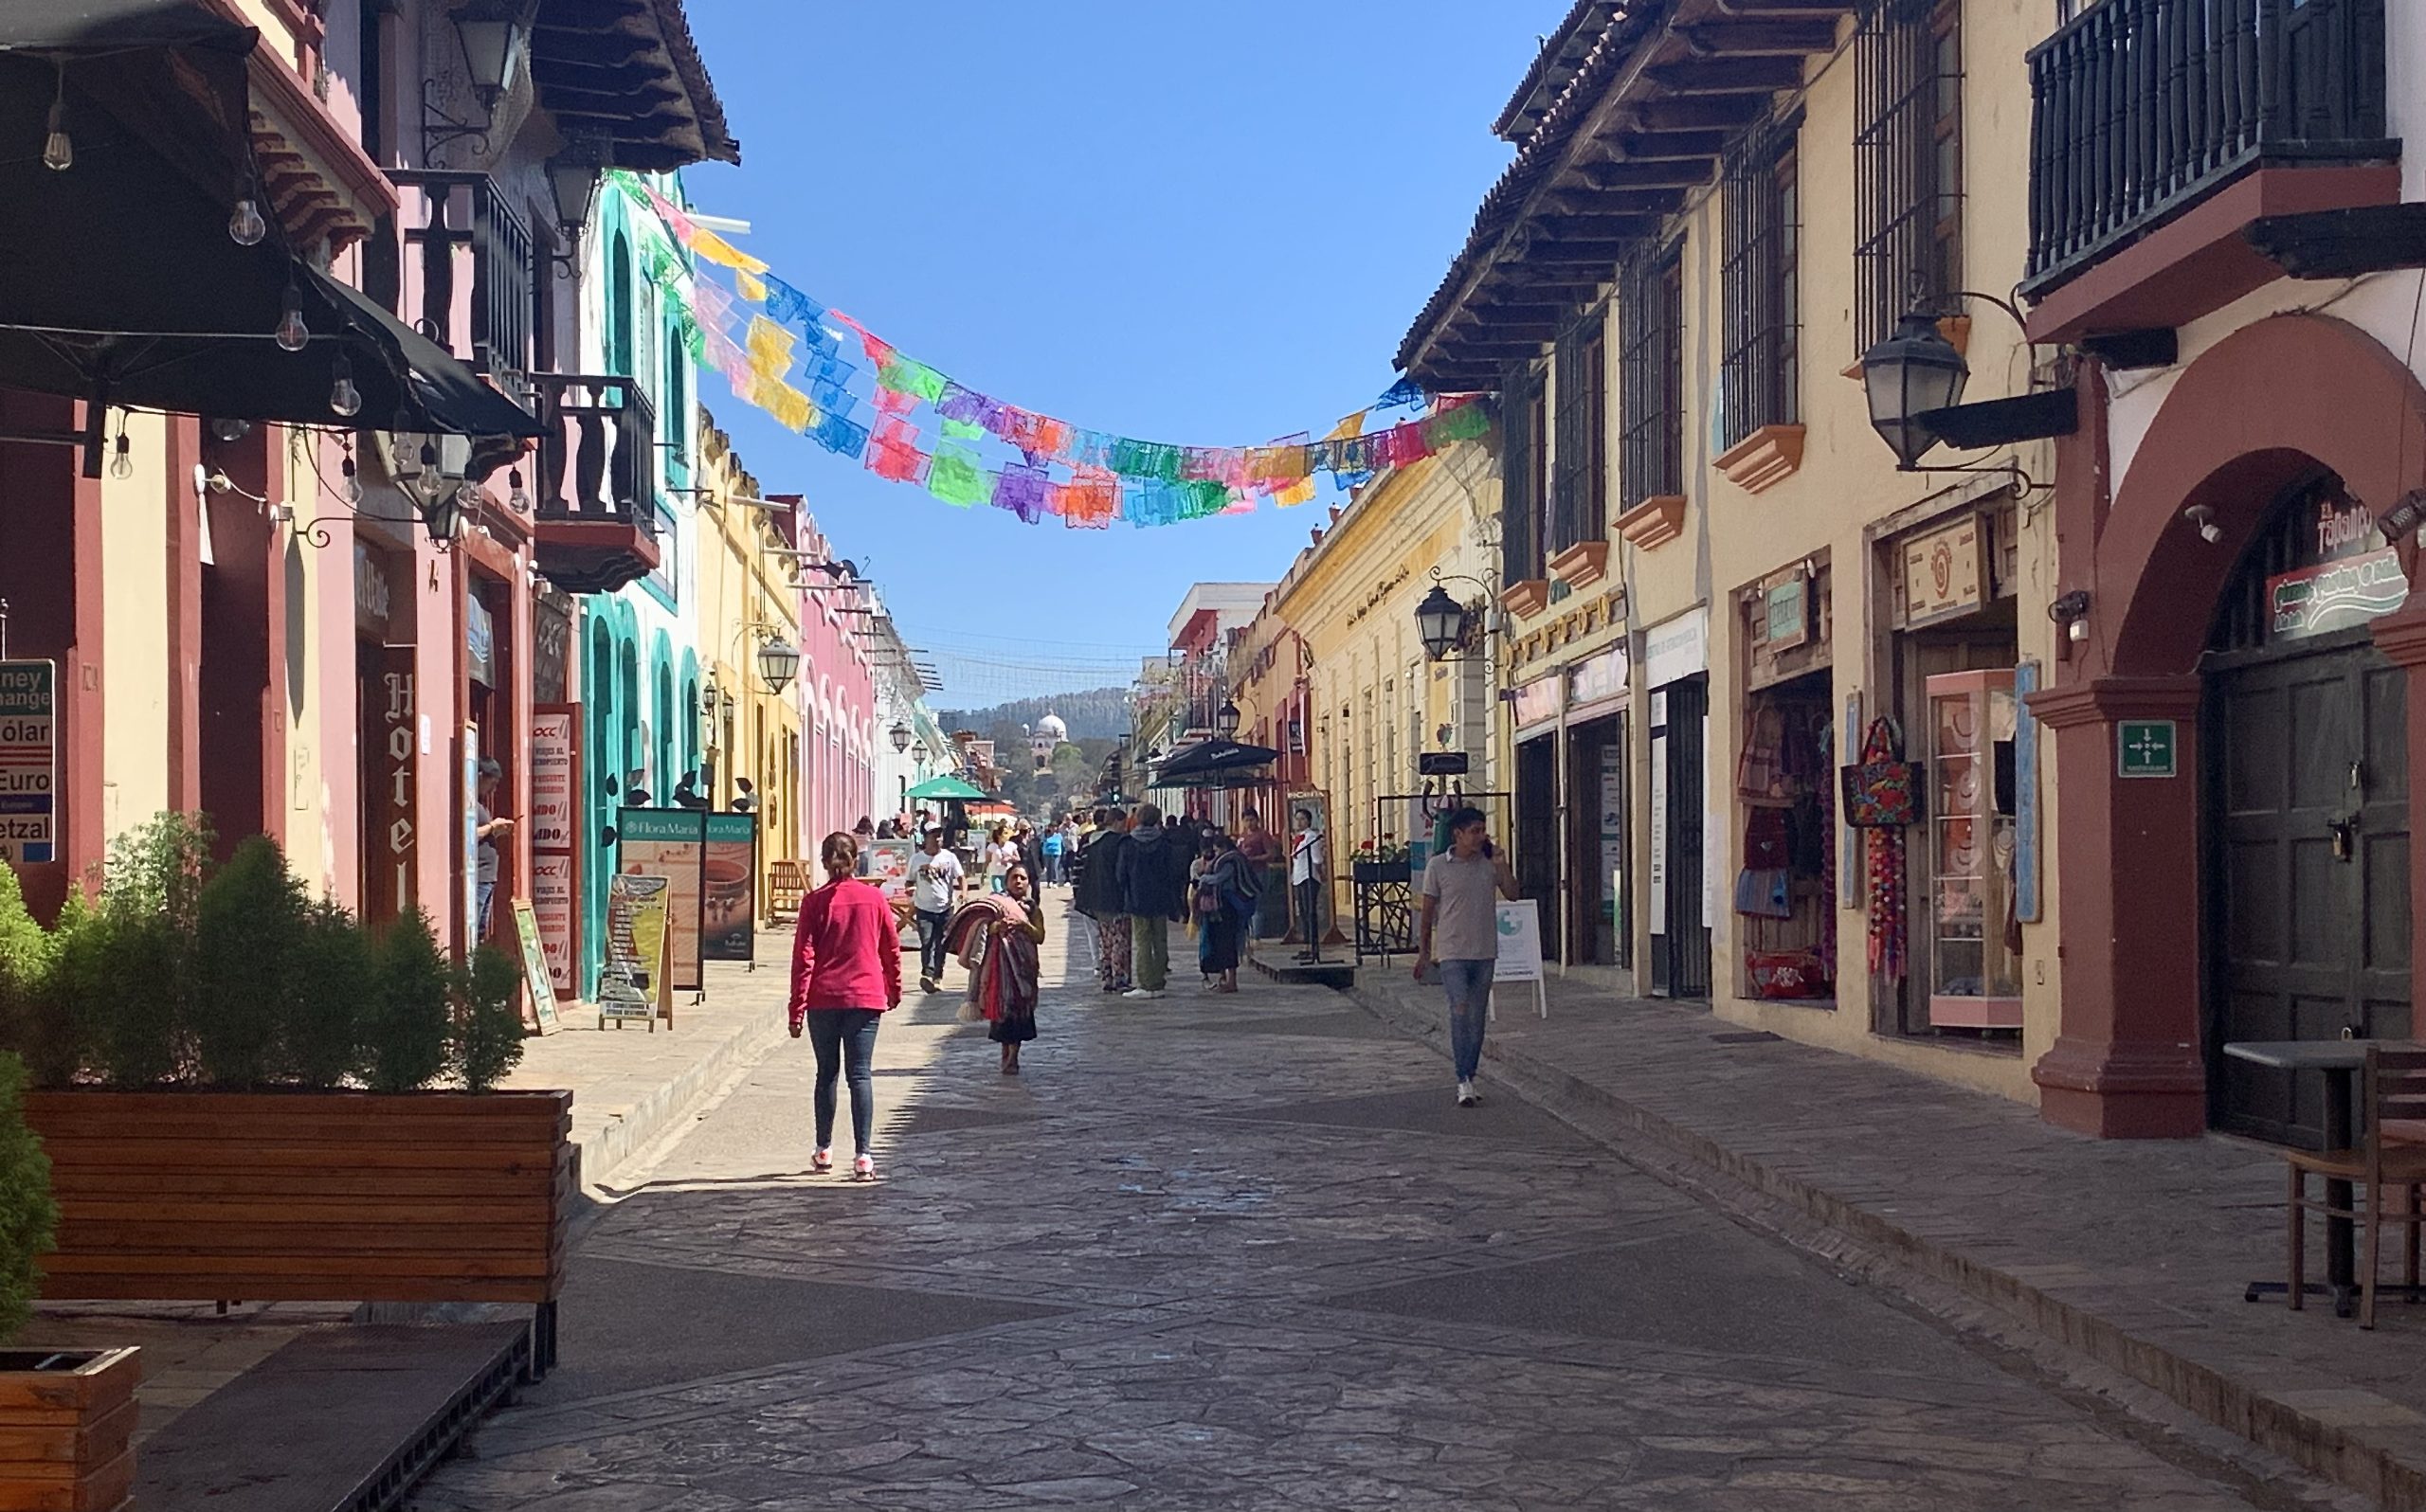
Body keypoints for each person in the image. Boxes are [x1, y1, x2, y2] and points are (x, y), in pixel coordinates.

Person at [788, 831, 903, 1179]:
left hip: (823, 998)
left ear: (824, 862)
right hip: (866, 997)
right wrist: (894, 989)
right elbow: (891, 948)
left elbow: (803, 958)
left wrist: (796, 1008)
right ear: (856, 861)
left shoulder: (814, 903)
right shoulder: (874, 899)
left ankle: (824, 1149)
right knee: (860, 1075)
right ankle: (864, 1155)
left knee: (827, 1073)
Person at [1412, 806, 1521, 1108]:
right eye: (1474, 830)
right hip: (1452, 952)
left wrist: (1502, 865)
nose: (1480, 836)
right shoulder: (1438, 866)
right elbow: (1428, 912)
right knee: (1459, 1009)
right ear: (1457, 834)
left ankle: (1470, 1072)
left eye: (1483, 829)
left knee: (1476, 1018)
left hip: (1485, 951)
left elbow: (1512, 893)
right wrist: (1424, 953)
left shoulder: (1489, 864)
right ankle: (1463, 1077)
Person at [949, 862, 1048, 1074]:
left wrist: (1024, 926)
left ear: (1029, 882)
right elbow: (981, 927)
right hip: (1000, 968)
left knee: (1020, 1011)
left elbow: (1039, 937)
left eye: (1023, 878)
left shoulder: (1032, 909)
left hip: (1024, 968)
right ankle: (1006, 1053)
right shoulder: (996, 905)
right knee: (1002, 1009)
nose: (1019, 882)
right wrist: (993, 927)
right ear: (1006, 881)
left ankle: (1014, 1056)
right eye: (1014, 878)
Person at [1118, 802, 1186, 999]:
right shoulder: (1164, 844)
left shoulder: (1128, 844)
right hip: (1161, 897)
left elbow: (1121, 874)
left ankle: (1146, 983)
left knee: (1142, 941)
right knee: (1160, 939)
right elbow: (1172, 871)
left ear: (1138, 819)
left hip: (1137, 898)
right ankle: (1158, 980)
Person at [1071, 805, 1132, 993]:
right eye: (1123, 823)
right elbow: (1123, 872)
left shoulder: (1093, 843)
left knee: (1105, 941)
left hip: (1098, 899)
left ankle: (1107, 978)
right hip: (1117, 898)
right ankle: (1120, 978)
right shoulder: (1120, 843)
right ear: (1116, 822)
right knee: (1120, 940)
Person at [1194, 833, 1252, 993]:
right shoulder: (1234, 858)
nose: (1215, 853)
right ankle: (1225, 979)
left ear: (1223, 848)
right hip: (1226, 904)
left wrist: (1204, 878)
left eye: (1217, 850)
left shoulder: (1229, 861)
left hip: (1228, 905)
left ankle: (1231, 981)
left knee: (1227, 942)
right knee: (1225, 942)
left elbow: (1220, 878)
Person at [910, 827, 963, 993]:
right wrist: (909, 889)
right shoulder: (916, 859)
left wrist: (963, 893)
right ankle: (927, 973)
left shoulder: (950, 857)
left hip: (945, 908)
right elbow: (909, 881)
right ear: (926, 838)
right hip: (923, 908)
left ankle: (938, 976)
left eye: (940, 836)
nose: (938, 839)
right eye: (934, 836)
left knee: (941, 944)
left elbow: (961, 877)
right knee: (926, 941)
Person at [470, 758, 513, 943]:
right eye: (492, 783)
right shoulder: (469, 804)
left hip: (487, 877)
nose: (493, 790)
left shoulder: (480, 805)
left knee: (481, 929)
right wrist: (492, 827)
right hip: (478, 876)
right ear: (480, 776)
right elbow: (467, 835)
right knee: (473, 928)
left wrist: (496, 832)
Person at [1235, 807, 1282, 952]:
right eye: (1246, 820)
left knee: (1258, 904)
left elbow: (1271, 854)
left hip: (1259, 872)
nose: (1249, 823)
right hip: (1245, 874)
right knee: (1245, 904)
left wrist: (1254, 859)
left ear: (1257, 820)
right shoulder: (1242, 836)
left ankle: (1257, 936)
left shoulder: (1263, 835)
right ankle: (1248, 935)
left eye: (1252, 820)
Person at [1289, 808, 1327, 962]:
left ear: (1309, 821)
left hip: (1309, 877)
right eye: (1297, 818)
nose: (1299, 822)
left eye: (1302, 819)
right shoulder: (1299, 838)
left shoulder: (1312, 837)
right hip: (1299, 877)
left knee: (1310, 912)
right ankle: (1306, 945)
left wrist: (1321, 873)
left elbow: (1317, 859)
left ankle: (1313, 945)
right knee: (1303, 913)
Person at [983, 823, 1017, 894]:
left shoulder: (1011, 845)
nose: (1007, 836)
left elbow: (1018, 858)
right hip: (996, 874)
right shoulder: (992, 847)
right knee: (999, 893)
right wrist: (983, 874)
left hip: (1008, 874)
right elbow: (987, 861)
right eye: (1005, 833)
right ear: (999, 835)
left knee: (1008, 894)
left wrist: (1009, 858)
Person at [1041, 821, 1066, 887]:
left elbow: (1062, 844)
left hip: (1056, 853)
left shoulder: (1059, 835)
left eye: (1055, 827)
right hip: (1047, 853)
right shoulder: (1045, 835)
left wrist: (1063, 852)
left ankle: (1055, 881)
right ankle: (1049, 881)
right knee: (1048, 868)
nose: (1054, 828)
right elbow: (1042, 843)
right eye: (1052, 827)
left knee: (1054, 867)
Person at [1056, 814, 1079, 882]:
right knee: (1065, 864)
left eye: (1069, 818)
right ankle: (1067, 879)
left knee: (1073, 864)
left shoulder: (1076, 826)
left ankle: (1073, 878)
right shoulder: (1061, 827)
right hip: (1065, 847)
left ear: (1071, 818)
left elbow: (1078, 835)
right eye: (1066, 819)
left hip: (1074, 848)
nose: (1068, 820)